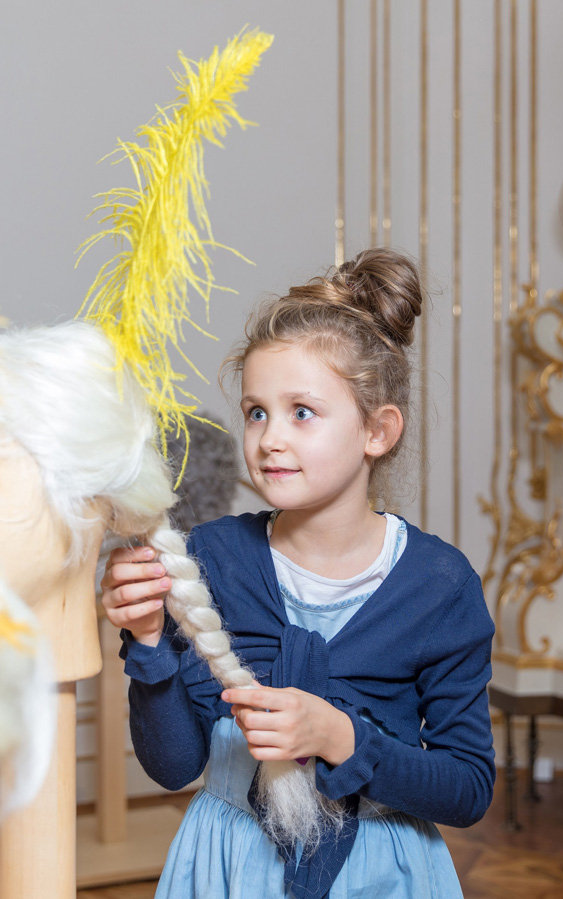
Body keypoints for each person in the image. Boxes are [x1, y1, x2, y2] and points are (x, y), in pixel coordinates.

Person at [101, 248, 495, 899]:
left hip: (381, 876)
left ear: (378, 430)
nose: (269, 438)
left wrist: (339, 736)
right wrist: (147, 642)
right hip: (227, 867)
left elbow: (467, 789)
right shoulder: (216, 558)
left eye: (301, 412)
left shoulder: (439, 585)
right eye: (257, 411)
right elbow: (173, 765)